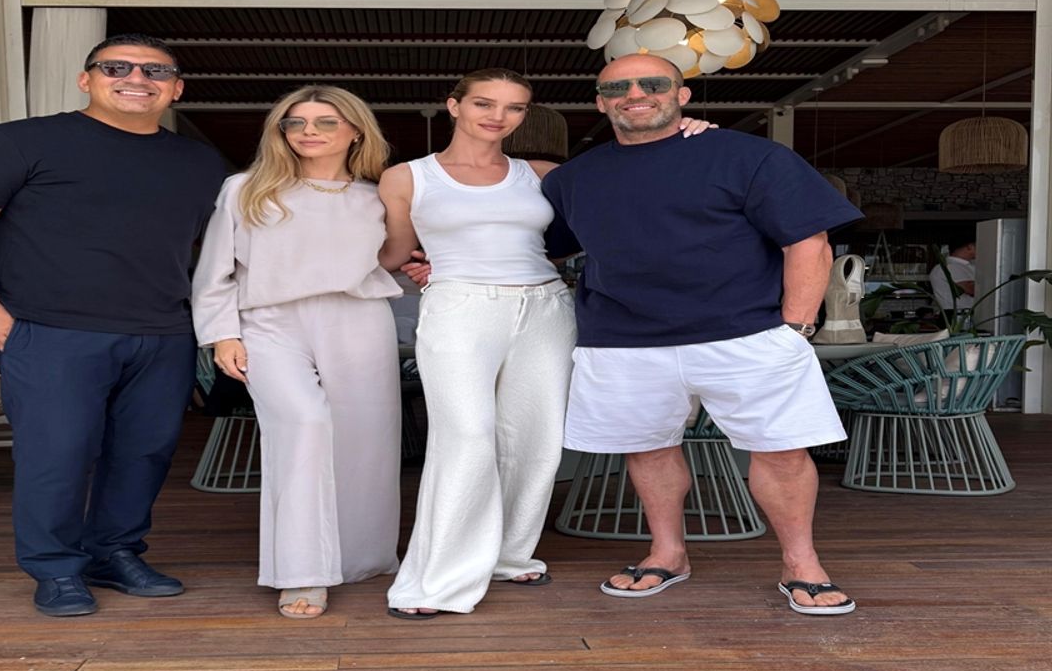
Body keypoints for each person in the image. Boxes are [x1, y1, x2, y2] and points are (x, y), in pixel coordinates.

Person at [380, 68, 712, 620]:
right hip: (460, 306)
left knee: (534, 439)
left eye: (513, 108)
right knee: (466, 437)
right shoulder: (407, 177)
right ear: (454, 106)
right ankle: (437, 580)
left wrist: (687, 134)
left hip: (545, 307)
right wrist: (413, 262)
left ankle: (509, 554)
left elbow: (628, 183)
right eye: (484, 103)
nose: (498, 117)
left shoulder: (541, 174)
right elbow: (393, 253)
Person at [542, 53, 862, 616]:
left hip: (746, 333)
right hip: (623, 339)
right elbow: (536, 243)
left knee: (782, 451)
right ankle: (668, 554)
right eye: (617, 87)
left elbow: (809, 242)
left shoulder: (748, 156)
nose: (635, 94)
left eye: (652, 83)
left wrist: (796, 328)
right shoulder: (574, 178)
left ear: (682, 94)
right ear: (600, 102)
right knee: (647, 449)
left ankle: (801, 563)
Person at [0, 34, 225, 617]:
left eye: (155, 71)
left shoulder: (200, 163)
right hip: (51, 330)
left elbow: (228, 245)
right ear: (86, 80)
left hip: (163, 332)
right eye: (116, 67)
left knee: (143, 453)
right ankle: (56, 568)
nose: (136, 78)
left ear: (176, 89)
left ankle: (114, 553)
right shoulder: (18, 142)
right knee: (57, 455)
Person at [191, 85, 402, 619]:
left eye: (326, 122)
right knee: (303, 426)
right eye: (296, 122)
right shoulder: (246, 189)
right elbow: (215, 269)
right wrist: (222, 334)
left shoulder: (377, 195)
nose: (309, 131)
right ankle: (302, 571)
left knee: (366, 441)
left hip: (357, 317)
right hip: (269, 323)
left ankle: (361, 557)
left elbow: (395, 257)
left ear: (355, 131)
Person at [928, 238, 977, 315]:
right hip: (957, 316)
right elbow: (971, 289)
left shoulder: (967, 265)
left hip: (967, 314)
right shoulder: (950, 266)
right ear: (970, 247)